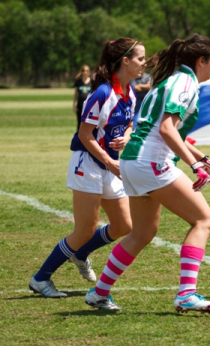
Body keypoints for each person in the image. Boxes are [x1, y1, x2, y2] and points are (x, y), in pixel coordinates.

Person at [84, 34, 210, 313]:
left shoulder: (175, 80)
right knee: (204, 219)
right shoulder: (185, 83)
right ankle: (186, 294)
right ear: (201, 61)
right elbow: (166, 130)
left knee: (142, 232)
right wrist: (194, 166)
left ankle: (99, 292)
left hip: (133, 161)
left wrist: (203, 159)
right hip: (150, 162)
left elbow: (166, 132)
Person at [29, 38, 145, 298]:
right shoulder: (102, 93)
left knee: (123, 225)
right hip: (89, 164)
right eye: (140, 58)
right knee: (84, 230)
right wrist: (109, 161)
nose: (144, 63)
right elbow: (84, 134)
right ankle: (40, 278)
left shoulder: (130, 93)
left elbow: (129, 125)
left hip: (109, 165)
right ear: (125, 61)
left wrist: (126, 137)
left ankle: (80, 254)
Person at [72, 65, 91, 130]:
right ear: (82, 72)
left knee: (88, 123)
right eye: (83, 71)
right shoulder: (78, 82)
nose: (85, 72)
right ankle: (79, 135)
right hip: (80, 106)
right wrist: (74, 105)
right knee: (79, 123)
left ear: (89, 72)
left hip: (89, 106)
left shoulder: (92, 82)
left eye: (86, 71)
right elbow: (75, 94)